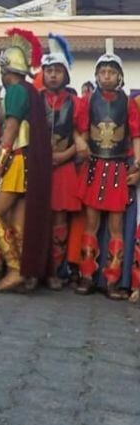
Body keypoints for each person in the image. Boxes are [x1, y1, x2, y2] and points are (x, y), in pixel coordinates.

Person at [0, 28, 53, 293]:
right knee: (18, 222)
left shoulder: (15, 90)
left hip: (18, 161)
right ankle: (27, 272)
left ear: (6, 70)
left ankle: (15, 269)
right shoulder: (30, 91)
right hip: (28, 162)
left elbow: (11, 129)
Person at [73, 38, 139, 298]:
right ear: (97, 75)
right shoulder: (88, 101)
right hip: (94, 166)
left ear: (119, 75)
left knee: (115, 226)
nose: (107, 76)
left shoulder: (129, 103)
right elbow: (79, 130)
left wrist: (138, 163)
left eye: (111, 71)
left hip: (118, 168)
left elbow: (136, 135)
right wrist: (80, 142)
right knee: (90, 223)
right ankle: (87, 276)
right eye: (102, 71)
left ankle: (112, 280)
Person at [39, 34, 80, 290]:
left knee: (60, 220)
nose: (53, 75)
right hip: (38, 168)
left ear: (65, 75)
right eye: (49, 70)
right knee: (37, 216)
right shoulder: (35, 100)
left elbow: (84, 136)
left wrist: (66, 155)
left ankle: (55, 271)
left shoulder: (76, 103)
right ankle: (37, 269)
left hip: (64, 168)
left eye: (58, 71)